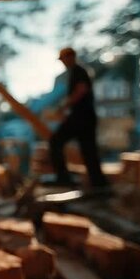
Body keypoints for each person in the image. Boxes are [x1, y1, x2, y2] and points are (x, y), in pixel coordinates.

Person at [48, 47, 109, 189]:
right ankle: (99, 184)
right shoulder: (76, 72)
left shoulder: (78, 71)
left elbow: (81, 90)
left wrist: (63, 107)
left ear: (71, 57)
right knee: (89, 151)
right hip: (84, 117)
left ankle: (63, 178)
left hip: (82, 118)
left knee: (55, 141)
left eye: (63, 59)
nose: (62, 62)